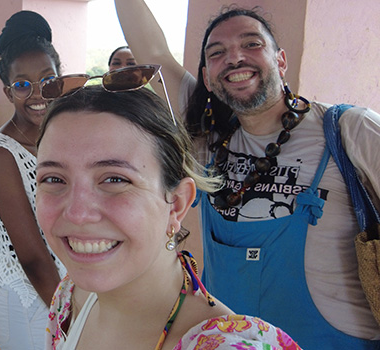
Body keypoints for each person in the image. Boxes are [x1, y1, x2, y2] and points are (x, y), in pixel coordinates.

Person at [115, 1, 380, 348]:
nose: (235, 58)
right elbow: (153, 52)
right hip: (229, 342)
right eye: (217, 52)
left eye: (252, 44)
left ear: (280, 61)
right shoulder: (208, 140)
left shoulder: (349, 130)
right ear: (208, 78)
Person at [36, 82, 300, 349]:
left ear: (176, 203)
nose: (78, 213)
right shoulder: (69, 298)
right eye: (54, 178)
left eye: (115, 179)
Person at [0, 10, 66, 349]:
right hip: (24, 292)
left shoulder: (63, 134)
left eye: (47, 79)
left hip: (62, 285)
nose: (37, 93)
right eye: (22, 84)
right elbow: (30, 255)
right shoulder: (1, 153)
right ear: (8, 91)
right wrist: (69, 318)